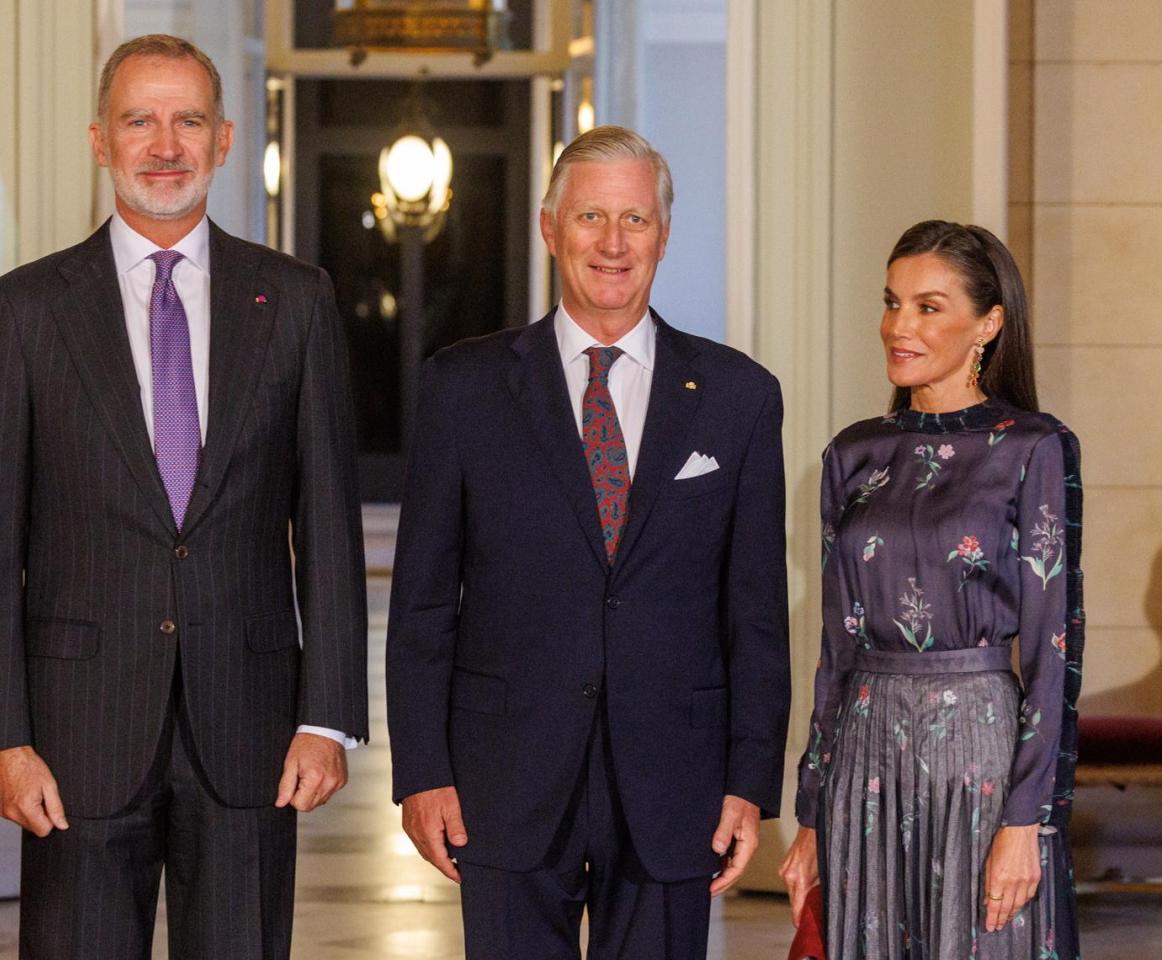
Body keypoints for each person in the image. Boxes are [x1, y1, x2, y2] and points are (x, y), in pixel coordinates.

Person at [0, 34, 367, 960]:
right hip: (72, 736)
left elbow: (329, 525)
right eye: (140, 120)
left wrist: (326, 716)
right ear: (100, 139)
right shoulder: (23, 311)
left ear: (223, 140)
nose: (164, 144)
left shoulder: (294, 302)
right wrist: (1, 736)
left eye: (187, 121)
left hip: (252, 729)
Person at [386, 125, 791, 960]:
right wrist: (423, 770)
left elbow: (755, 612)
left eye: (635, 220)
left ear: (664, 236)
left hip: (675, 783)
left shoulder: (738, 397)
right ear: (549, 229)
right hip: (501, 776)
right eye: (591, 218)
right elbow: (423, 603)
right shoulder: (462, 388)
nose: (613, 243)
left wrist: (750, 783)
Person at [779, 220, 1083, 958]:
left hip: (979, 758)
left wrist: (1029, 821)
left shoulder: (1033, 447)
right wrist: (813, 814)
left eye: (928, 306)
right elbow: (835, 649)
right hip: (864, 760)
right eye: (892, 302)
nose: (899, 325)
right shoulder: (852, 454)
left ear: (988, 322)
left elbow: (1053, 653)